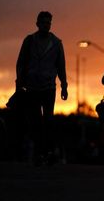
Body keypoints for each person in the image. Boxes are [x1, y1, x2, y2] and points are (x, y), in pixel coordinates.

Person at [16, 11, 68, 166]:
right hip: (31, 87)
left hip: (48, 87)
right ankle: (39, 153)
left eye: (48, 23)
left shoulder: (57, 43)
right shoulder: (29, 41)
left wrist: (64, 86)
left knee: (48, 120)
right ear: (37, 23)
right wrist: (19, 83)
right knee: (35, 122)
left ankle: (49, 152)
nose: (46, 25)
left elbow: (61, 67)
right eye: (44, 22)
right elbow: (21, 63)